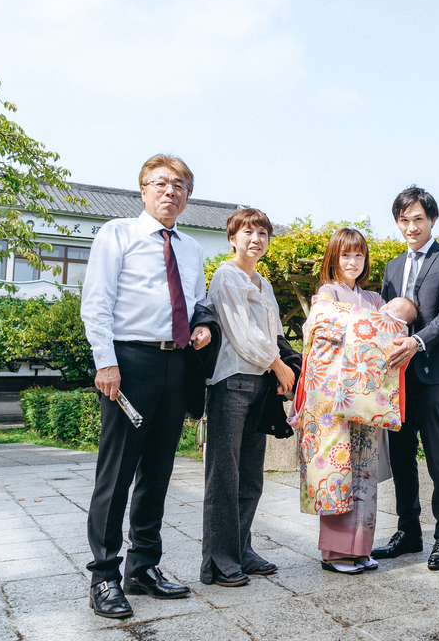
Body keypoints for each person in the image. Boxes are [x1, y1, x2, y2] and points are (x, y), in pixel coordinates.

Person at [81, 154, 218, 618]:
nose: (169, 191)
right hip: (130, 361)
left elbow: (198, 303)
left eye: (179, 185)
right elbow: (95, 302)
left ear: (187, 196)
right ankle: (104, 575)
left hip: (176, 364)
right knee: (116, 472)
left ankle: (144, 566)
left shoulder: (192, 248)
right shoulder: (116, 234)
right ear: (142, 190)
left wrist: (203, 326)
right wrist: (106, 363)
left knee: (158, 470)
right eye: (160, 183)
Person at [301, 228, 416, 574]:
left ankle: (360, 549)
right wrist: (370, 326)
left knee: (364, 472)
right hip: (334, 398)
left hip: (367, 398)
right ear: (334, 259)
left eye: (358, 255)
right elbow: (322, 328)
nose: (352, 262)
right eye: (345, 255)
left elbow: (395, 330)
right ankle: (335, 553)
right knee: (337, 470)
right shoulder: (327, 293)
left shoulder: (374, 299)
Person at [200, 208, 297, 587]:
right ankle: (219, 561)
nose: (256, 239)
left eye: (262, 233)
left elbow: (272, 333)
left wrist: (281, 368)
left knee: (250, 475)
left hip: (258, 386)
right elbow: (242, 333)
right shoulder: (227, 276)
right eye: (248, 232)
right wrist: (278, 365)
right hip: (232, 383)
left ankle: (242, 549)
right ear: (232, 238)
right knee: (224, 475)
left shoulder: (263, 283)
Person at [373, 186, 439, 570]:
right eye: (404, 220)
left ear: (432, 220)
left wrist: (416, 342)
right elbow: (383, 315)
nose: (411, 226)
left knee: (437, 458)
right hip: (397, 377)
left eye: (418, 219)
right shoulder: (393, 266)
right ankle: (408, 531)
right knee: (401, 457)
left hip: (433, 374)